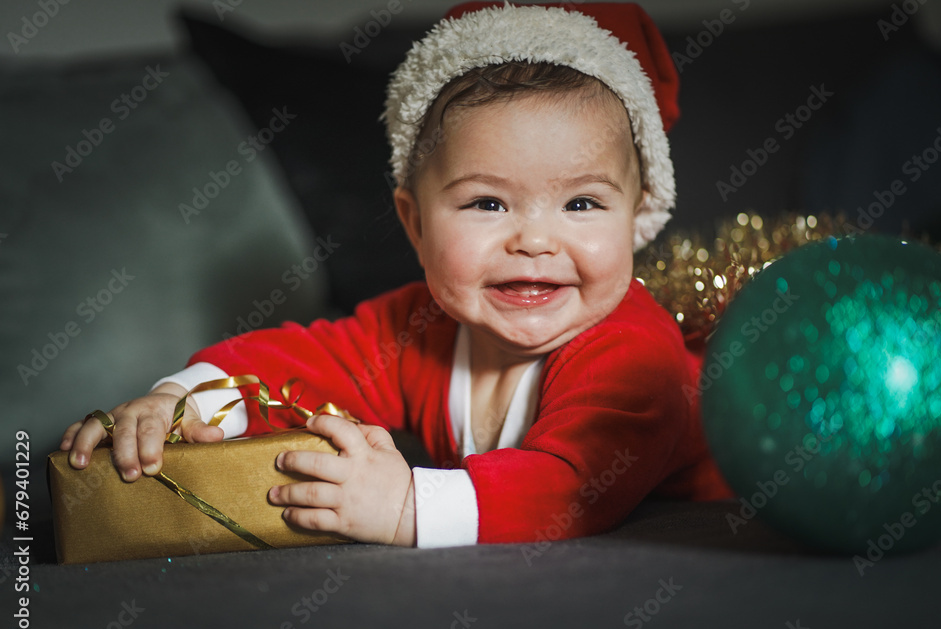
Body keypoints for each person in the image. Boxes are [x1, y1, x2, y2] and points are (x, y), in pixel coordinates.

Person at [61, 1, 731, 548]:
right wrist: (185, 400)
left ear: (638, 216)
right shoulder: (423, 327)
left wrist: (408, 502)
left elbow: (575, 485)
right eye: (487, 203)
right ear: (414, 222)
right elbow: (310, 360)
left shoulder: (632, 351)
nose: (533, 240)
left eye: (581, 203)